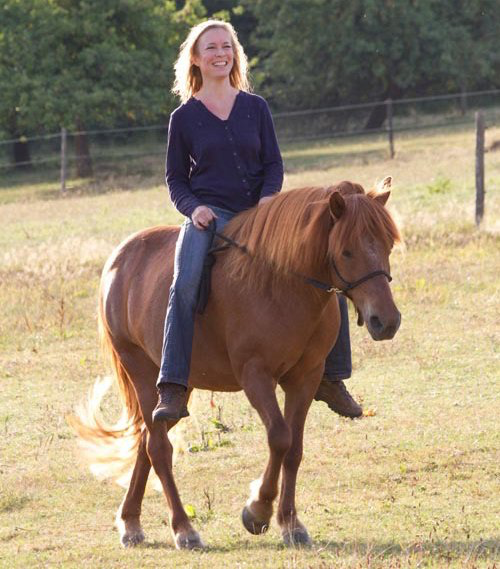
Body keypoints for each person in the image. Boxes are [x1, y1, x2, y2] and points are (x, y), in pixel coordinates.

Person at [153, 20, 362, 423]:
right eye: (211, 48)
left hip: (263, 214)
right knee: (184, 282)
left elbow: (273, 163)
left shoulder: (256, 107)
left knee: (329, 262)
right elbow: (176, 180)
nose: (220, 54)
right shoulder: (184, 118)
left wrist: (269, 199)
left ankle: (331, 378)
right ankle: (174, 385)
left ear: (235, 55)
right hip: (211, 217)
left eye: (226, 47)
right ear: (195, 58)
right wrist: (193, 208)